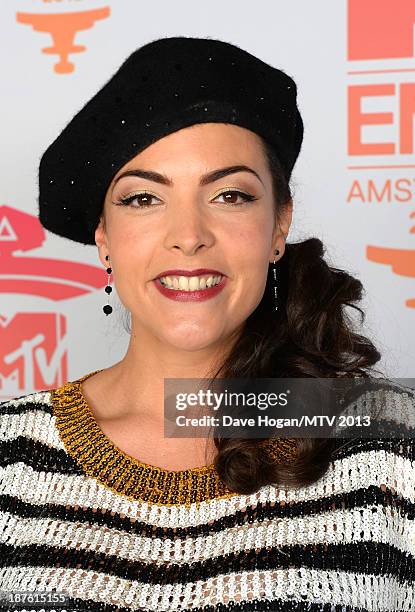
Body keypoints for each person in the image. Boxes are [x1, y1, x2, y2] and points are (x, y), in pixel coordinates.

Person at [0, 36, 414, 612]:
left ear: (278, 226)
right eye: (144, 199)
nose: (189, 235)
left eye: (230, 194)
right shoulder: (10, 455)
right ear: (103, 237)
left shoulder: (392, 447)